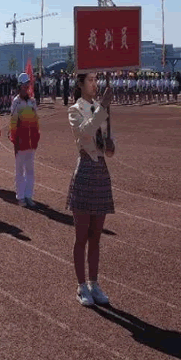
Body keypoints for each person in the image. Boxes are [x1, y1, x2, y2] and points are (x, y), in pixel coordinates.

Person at [66, 72, 115, 307]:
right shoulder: (74, 110)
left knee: (96, 236)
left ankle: (94, 283)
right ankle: (81, 285)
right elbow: (85, 132)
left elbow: (106, 144)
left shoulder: (99, 107)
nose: (95, 84)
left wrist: (110, 145)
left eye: (97, 80)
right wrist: (102, 108)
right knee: (81, 236)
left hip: (100, 174)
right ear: (81, 84)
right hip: (85, 172)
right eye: (91, 80)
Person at [10, 73, 40, 207]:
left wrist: (36, 138)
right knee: (19, 170)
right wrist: (14, 141)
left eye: (27, 85)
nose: (26, 87)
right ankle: (20, 196)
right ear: (19, 87)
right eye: (23, 85)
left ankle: (29, 195)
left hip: (30, 141)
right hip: (20, 142)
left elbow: (36, 121)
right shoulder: (16, 102)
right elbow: (13, 124)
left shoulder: (32, 102)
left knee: (30, 170)